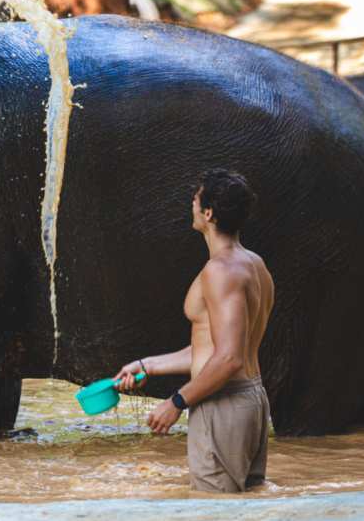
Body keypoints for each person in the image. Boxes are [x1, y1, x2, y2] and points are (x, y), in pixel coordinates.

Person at [115, 169, 274, 493]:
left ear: (209, 213)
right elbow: (216, 349)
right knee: (246, 507)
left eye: (196, 197)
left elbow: (228, 359)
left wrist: (176, 401)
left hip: (223, 405)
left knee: (214, 509)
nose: (192, 203)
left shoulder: (221, 271)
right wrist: (148, 366)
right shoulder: (254, 264)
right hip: (251, 401)